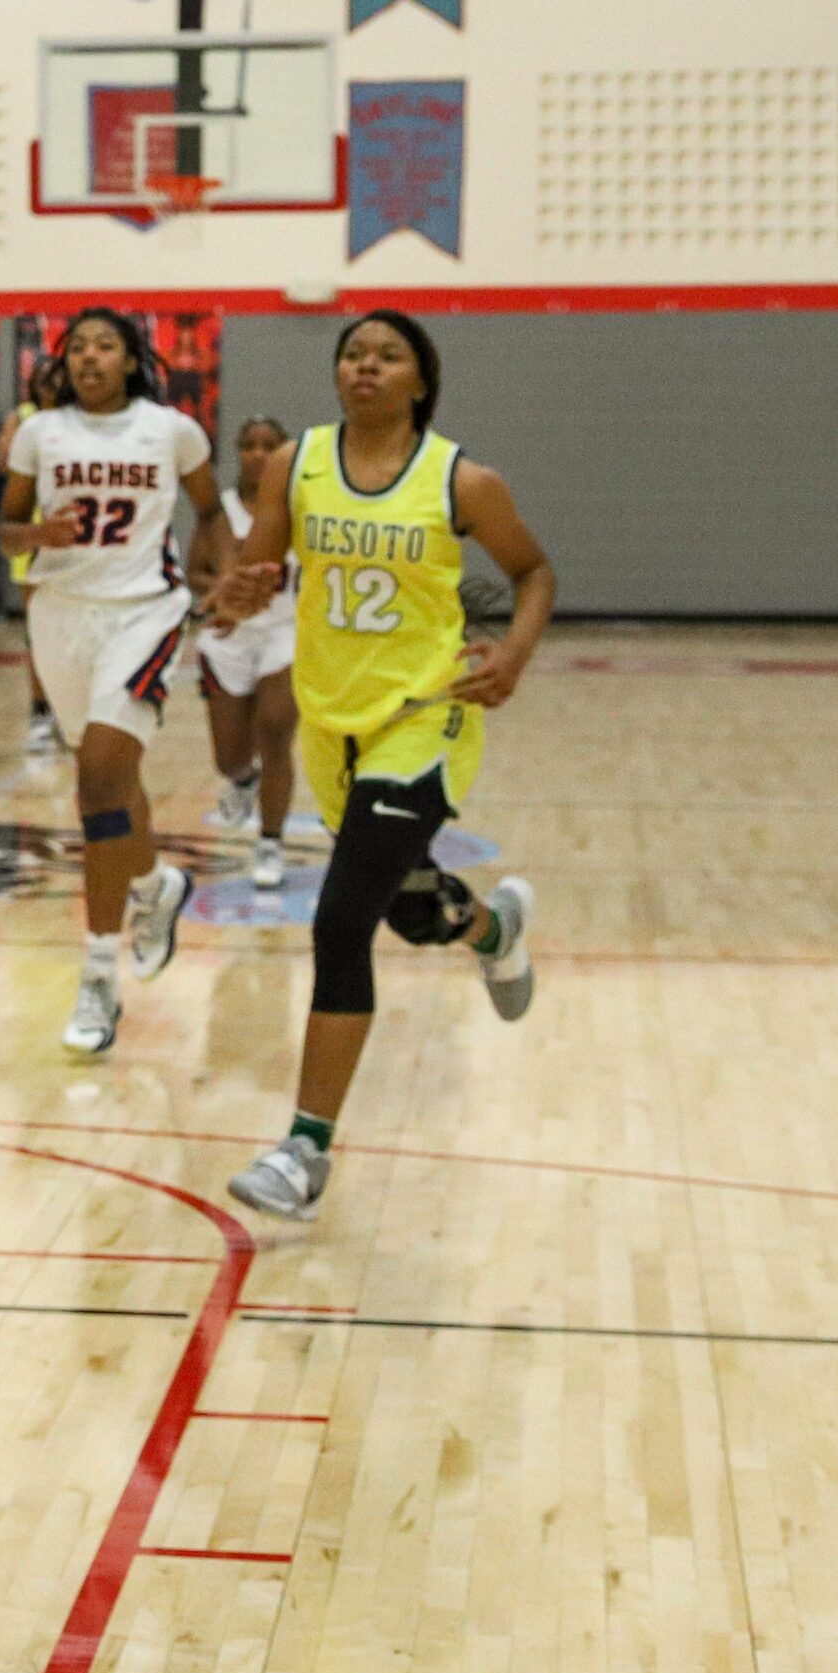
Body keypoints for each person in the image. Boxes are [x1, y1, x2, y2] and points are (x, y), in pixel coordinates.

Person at [211, 312, 552, 1220]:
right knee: (406, 907)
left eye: (386, 356)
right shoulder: (297, 463)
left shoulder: (461, 480)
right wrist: (240, 588)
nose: (365, 367)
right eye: (352, 354)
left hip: (423, 719)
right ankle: (490, 929)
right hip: (333, 724)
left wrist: (509, 659)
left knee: (338, 923)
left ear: (418, 382)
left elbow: (531, 573)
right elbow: (260, 563)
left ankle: (303, 1152)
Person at [0, 308, 229, 1054]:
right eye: (77, 348)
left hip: (142, 611)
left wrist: (210, 579)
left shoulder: (170, 430)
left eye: (105, 346)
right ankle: (153, 884)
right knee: (110, 777)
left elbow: (209, 510)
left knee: (98, 774)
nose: (89, 357)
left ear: (132, 360)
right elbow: (4, 530)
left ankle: (98, 976)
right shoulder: (39, 432)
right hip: (61, 616)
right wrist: (39, 536)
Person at [188, 416, 301, 889]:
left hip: (284, 632)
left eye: (268, 446)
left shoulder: (302, 512)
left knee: (276, 733)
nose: (258, 454)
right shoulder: (221, 513)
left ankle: (270, 841)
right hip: (229, 637)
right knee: (230, 757)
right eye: (250, 445)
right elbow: (194, 573)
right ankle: (241, 780)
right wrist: (221, 591)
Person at [0, 356, 71, 756]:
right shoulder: (23, 418)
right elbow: (2, 464)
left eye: (57, 379)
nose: (50, 386)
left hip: (73, 533)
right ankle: (41, 712)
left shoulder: (80, 421)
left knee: (74, 628)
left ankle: (71, 709)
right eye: (43, 380)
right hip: (32, 531)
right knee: (38, 632)